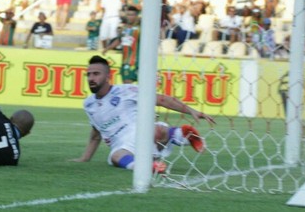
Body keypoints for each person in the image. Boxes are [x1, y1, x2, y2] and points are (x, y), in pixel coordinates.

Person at [72, 56, 215, 171]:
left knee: (156, 131)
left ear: (108, 76)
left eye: (96, 74)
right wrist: (85, 158)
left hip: (141, 133)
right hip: (122, 145)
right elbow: (96, 134)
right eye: (89, 74)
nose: (91, 78)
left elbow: (161, 99)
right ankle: (151, 164)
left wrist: (191, 111)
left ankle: (185, 135)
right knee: (116, 156)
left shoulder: (125, 90)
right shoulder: (88, 104)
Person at [103, 5, 141, 84]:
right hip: (125, 61)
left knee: (129, 86)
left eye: (132, 15)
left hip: (135, 61)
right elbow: (119, 40)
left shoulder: (140, 28)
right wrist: (108, 48)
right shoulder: (124, 28)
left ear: (137, 16)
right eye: (128, 14)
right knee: (126, 85)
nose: (130, 17)